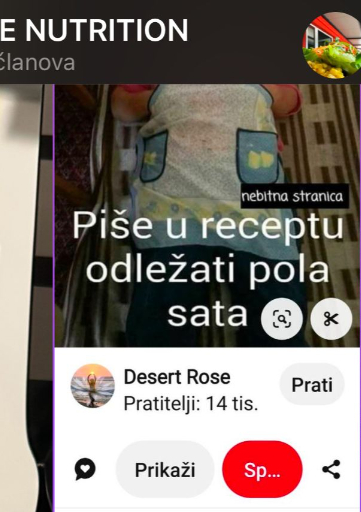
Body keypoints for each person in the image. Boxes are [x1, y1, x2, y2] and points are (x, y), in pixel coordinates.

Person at [109, 83, 305, 346]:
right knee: (160, 319)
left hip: (253, 206)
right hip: (173, 206)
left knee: (277, 317)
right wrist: (157, 97)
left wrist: (265, 89)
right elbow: (120, 106)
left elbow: (290, 100)